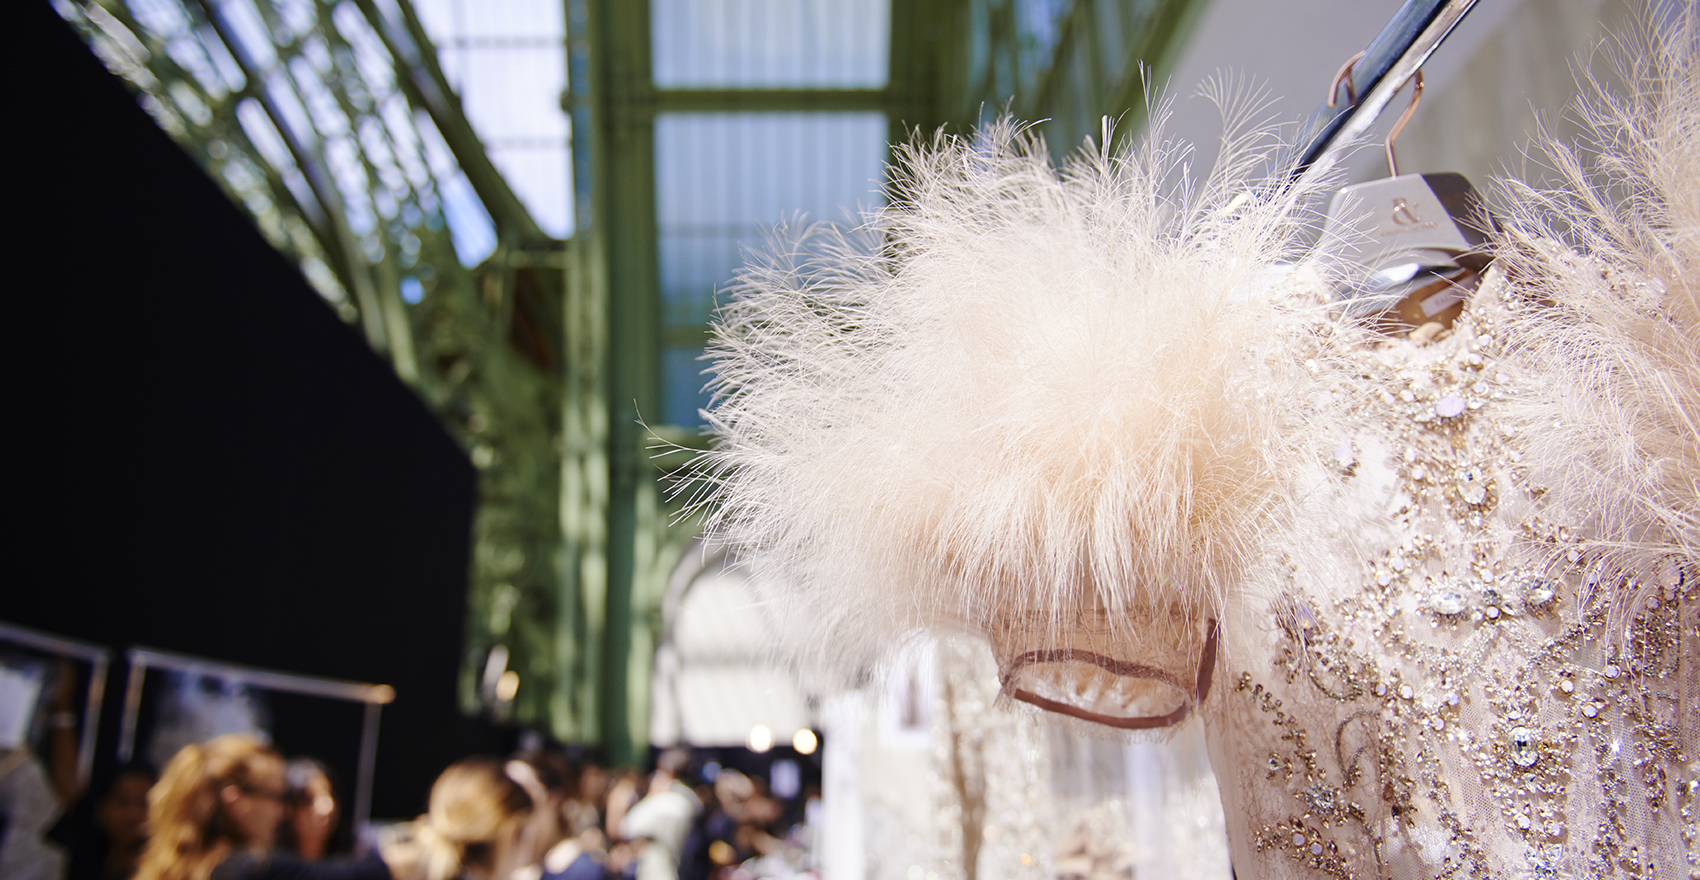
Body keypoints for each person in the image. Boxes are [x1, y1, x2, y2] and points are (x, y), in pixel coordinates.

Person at [134, 734, 389, 880]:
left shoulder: (180, 867)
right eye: (278, 796)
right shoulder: (248, 869)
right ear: (235, 801)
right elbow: (360, 875)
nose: (283, 811)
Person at [49, 761, 157, 880]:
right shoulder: (84, 857)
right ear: (102, 808)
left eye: (143, 803)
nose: (133, 814)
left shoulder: (164, 865)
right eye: (122, 802)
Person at [615, 750, 699, 880]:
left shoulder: (664, 802)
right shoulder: (692, 801)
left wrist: (652, 796)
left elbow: (626, 826)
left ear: (669, 771)